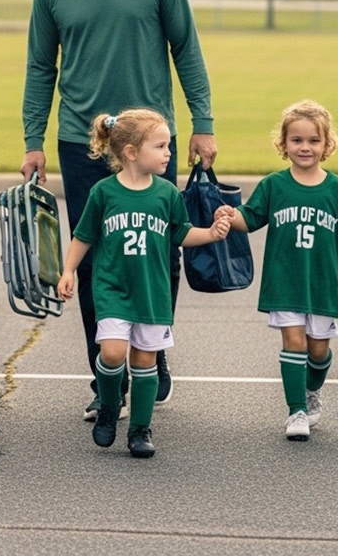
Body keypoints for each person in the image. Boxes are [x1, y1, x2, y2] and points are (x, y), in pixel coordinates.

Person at [21, 0, 216, 418]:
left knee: (161, 249)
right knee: (91, 257)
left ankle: (150, 357)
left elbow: (187, 50)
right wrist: (33, 140)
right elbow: (41, 68)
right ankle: (106, 377)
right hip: (81, 145)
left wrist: (202, 123)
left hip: (152, 140)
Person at [57, 108, 230, 458]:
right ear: (131, 152)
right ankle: (109, 405)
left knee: (145, 361)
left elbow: (180, 233)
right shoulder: (104, 192)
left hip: (152, 292)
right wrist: (68, 271)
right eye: (160, 146)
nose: (169, 152)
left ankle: (140, 428)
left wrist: (211, 233)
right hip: (113, 288)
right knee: (112, 351)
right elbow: (83, 235)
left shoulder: (166, 194)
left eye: (168, 145)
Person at [215, 100, 338, 440]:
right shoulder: (274, 185)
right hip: (284, 281)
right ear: (283, 144)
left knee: (319, 350)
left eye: (313, 140)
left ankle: (311, 392)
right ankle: (296, 410)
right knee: (294, 341)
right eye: (296, 140)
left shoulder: (337, 189)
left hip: (321, 283)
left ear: (327, 145)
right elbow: (250, 219)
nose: (305, 147)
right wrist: (229, 215)